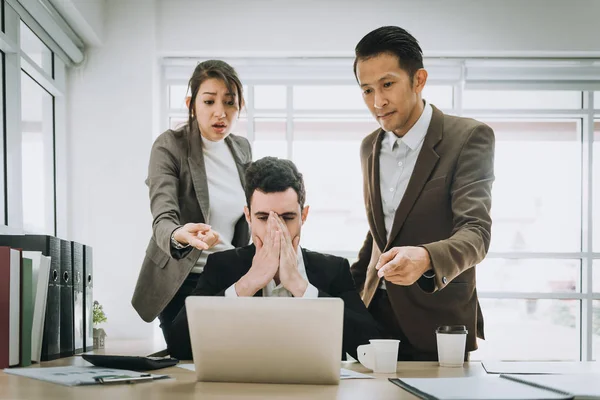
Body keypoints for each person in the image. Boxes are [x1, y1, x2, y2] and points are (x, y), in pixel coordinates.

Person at [350, 26, 495, 361]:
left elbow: (476, 234)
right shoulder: (369, 146)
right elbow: (382, 232)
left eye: (387, 84)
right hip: (374, 318)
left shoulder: (468, 137)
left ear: (418, 80)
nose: (377, 101)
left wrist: (426, 257)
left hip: (437, 322)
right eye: (367, 90)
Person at [165, 157, 381, 360]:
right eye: (263, 217)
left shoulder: (333, 269)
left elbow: (374, 345)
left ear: (303, 216)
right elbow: (178, 344)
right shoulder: (222, 266)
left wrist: (300, 287)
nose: (275, 230)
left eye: (287, 218)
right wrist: (246, 284)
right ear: (248, 216)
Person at [131, 60, 252, 357]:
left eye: (230, 102)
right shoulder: (170, 146)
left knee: (232, 361)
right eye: (209, 101)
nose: (220, 112)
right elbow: (162, 217)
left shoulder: (241, 148)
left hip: (227, 279)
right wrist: (180, 234)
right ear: (191, 103)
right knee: (189, 359)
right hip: (182, 280)